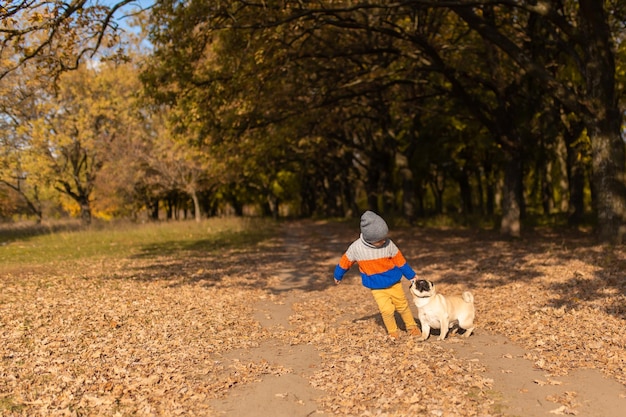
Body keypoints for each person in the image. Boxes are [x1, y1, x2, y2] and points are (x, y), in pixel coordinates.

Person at [334, 210, 421, 340]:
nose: (383, 241)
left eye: (384, 237)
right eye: (380, 240)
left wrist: (411, 276)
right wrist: (338, 275)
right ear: (369, 239)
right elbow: (345, 261)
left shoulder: (389, 244)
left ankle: (411, 326)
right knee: (386, 310)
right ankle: (392, 331)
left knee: (402, 305)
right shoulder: (356, 248)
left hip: (394, 282)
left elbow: (400, 261)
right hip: (376, 287)